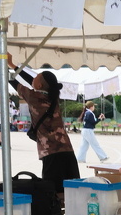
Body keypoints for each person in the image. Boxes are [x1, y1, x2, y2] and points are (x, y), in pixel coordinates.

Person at [4, 55, 78, 192]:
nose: (32, 79)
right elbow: (31, 80)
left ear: (39, 85)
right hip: (67, 151)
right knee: (72, 191)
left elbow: (13, 81)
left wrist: (3, 62)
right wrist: (13, 65)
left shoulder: (33, 97)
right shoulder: (53, 97)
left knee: (53, 193)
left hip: (51, 152)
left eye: (36, 78)